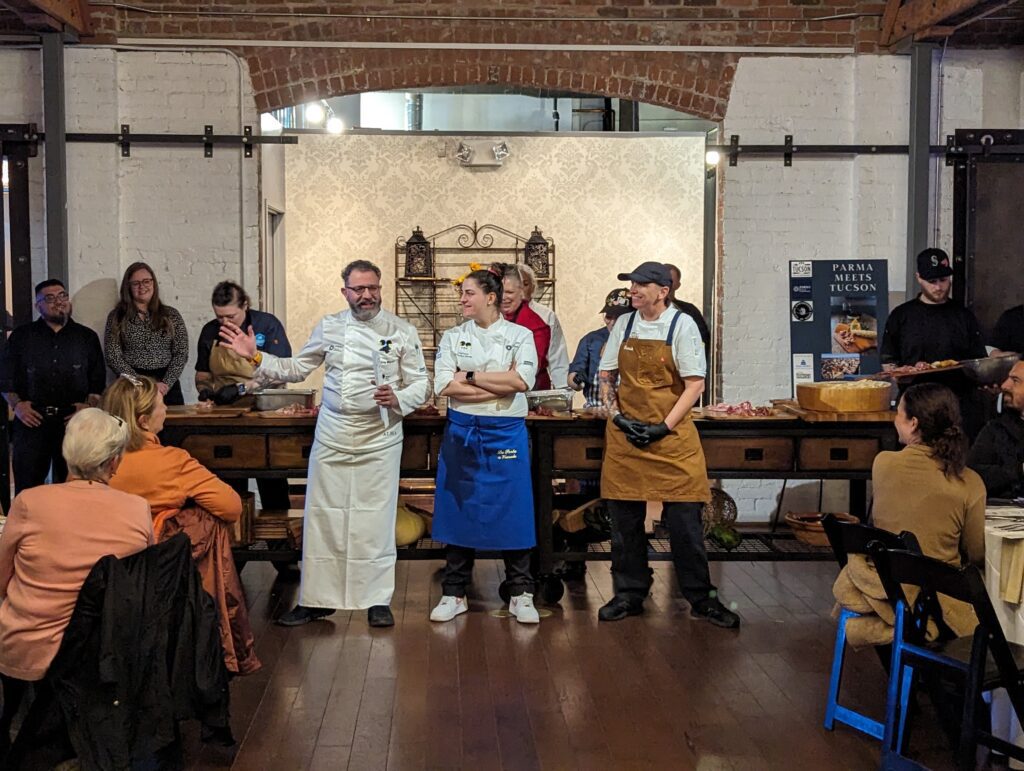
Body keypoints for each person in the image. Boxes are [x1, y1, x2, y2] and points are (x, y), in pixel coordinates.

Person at [218, 259, 430, 629]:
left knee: (375, 519)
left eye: (372, 288)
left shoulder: (401, 330)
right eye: (359, 289)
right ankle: (316, 600)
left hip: (379, 437)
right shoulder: (329, 326)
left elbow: (421, 384)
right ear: (345, 292)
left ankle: (376, 600)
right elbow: (297, 368)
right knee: (323, 517)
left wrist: (398, 397)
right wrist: (254, 354)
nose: (367, 295)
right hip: (333, 433)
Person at [0, 409, 152, 753]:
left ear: (67, 452)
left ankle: (16, 725)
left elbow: (2, 580)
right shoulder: (137, 509)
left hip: (31, 646)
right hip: (109, 649)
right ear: (114, 462)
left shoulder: (29, 502)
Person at [597, 261, 739, 628]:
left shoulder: (682, 325)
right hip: (627, 437)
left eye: (641, 284)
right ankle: (629, 592)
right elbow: (606, 375)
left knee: (684, 522)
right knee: (624, 522)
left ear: (663, 291)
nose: (633, 289)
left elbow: (695, 384)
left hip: (672, 438)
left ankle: (701, 597)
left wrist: (663, 426)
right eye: (632, 283)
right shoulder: (625, 324)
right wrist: (617, 416)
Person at [103, 375, 261, 675]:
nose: (167, 410)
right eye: (162, 404)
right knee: (207, 520)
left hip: (102, 568)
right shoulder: (172, 461)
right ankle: (214, 639)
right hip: (160, 570)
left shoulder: (92, 462)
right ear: (144, 421)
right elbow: (231, 507)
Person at [833, 383, 984, 647]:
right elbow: (976, 552)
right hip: (935, 597)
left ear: (913, 423)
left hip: (882, 585)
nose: (894, 419)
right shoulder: (969, 482)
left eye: (898, 413)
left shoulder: (883, 463)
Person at [429, 265, 540, 624]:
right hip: (462, 430)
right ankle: (454, 592)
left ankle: (520, 593)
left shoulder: (520, 335)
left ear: (490, 297)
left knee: (513, 509)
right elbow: (444, 385)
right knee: (458, 508)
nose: (462, 299)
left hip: (505, 432)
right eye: (462, 293)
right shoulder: (452, 336)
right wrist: (497, 386)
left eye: (469, 293)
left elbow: (521, 381)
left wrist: (471, 376)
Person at [0, 280, 105, 493]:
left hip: (73, 424)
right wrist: (17, 406)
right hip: (31, 422)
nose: (59, 302)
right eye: (50, 298)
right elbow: (5, 378)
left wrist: (88, 408)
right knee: (27, 489)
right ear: (38, 305)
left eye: (62, 295)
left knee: (72, 489)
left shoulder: (86, 337)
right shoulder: (21, 336)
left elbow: (98, 381)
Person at [196, 281, 292, 508]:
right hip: (226, 414)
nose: (225, 323)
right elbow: (202, 374)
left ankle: (277, 530)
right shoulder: (210, 331)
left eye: (231, 316)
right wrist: (206, 391)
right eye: (220, 317)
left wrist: (242, 388)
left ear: (245, 306)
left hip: (265, 410)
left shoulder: (267, 325)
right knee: (230, 480)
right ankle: (237, 528)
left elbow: (281, 373)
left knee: (271, 479)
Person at [880, 248, 988, 437]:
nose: (938, 287)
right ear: (918, 278)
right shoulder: (901, 315)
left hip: (959, 406)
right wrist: (900, 373)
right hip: (915, 406)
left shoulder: (964, 316)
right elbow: (889, 360)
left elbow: (978, 362)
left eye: (943, 280)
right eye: (931, 281)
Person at [104, 262, 189, 406]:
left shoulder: (171, 315)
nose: (142, 286)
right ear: (128, 287)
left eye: (146, 281)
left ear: (153, 283)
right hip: (132, 386)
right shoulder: (117, 317)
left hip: (166, 386)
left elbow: (181, 353)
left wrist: (166, 384)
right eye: (135, 283)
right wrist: (140, 383)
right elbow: (113, 356)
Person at [500, 264, 568, 391]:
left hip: (536, 386)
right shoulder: (495, 314)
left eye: (525, 284)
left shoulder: (544, 316)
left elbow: (558, 357)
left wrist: (562, 389)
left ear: (533, 286)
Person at [968, 358, 1024, 499]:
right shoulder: (996, 429)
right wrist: (1018, 470)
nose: (1004, 385)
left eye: (1015, 380)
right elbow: (972, 475)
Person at [567, 288, 632, 408]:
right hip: (595, 410)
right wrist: (577, 380)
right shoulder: (591, 340)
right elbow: (573, 380)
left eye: (619, 318)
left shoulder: (639, 340)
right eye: (609, 317)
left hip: (629, 410)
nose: (613, 322)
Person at [665, 263, 711, 348]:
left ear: (678, 285)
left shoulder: (689, 310)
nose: (666, 283)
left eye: (671, 280)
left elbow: (702, 339)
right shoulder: (642, 308)